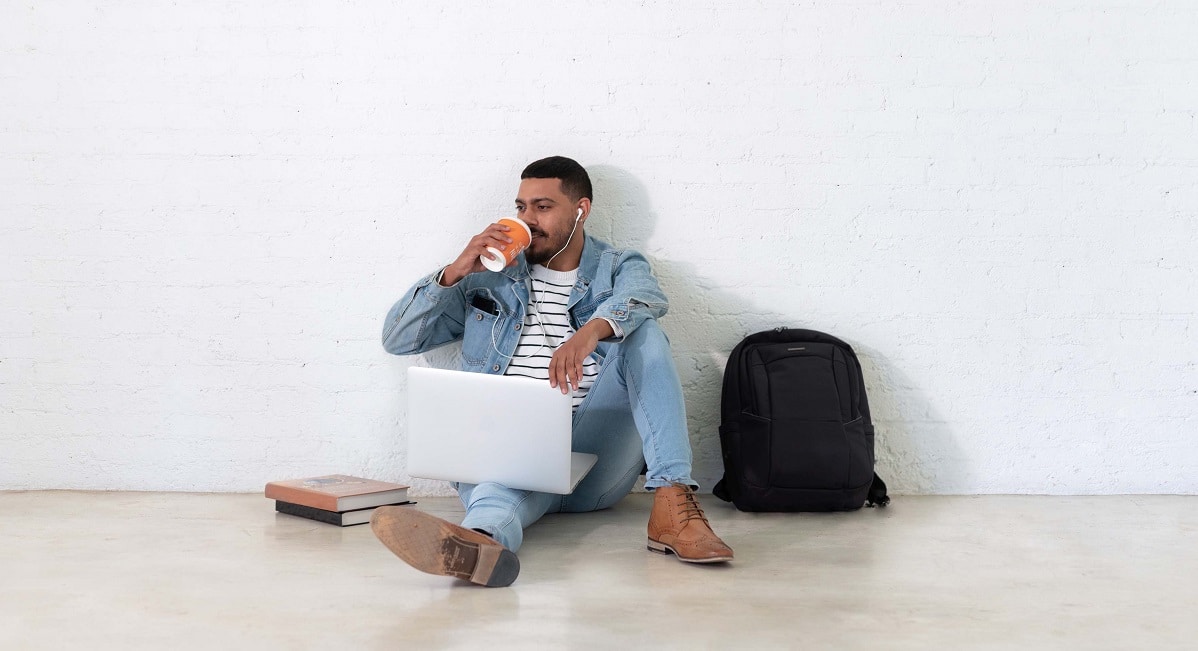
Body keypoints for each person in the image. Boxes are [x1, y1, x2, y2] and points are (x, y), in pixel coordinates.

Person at [372, 156, 733, 587]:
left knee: (645, 333)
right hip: (512, 456)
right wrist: (455, 271)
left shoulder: (617, 265)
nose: (528, 218)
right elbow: (398, 339)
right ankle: (479, 545)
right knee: (494, 494)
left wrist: (591, 332)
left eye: (543, 207)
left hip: (595, 459)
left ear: (581, 209)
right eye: (521, 207)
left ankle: (674, 504)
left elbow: (645, 296)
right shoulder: (489, 278)